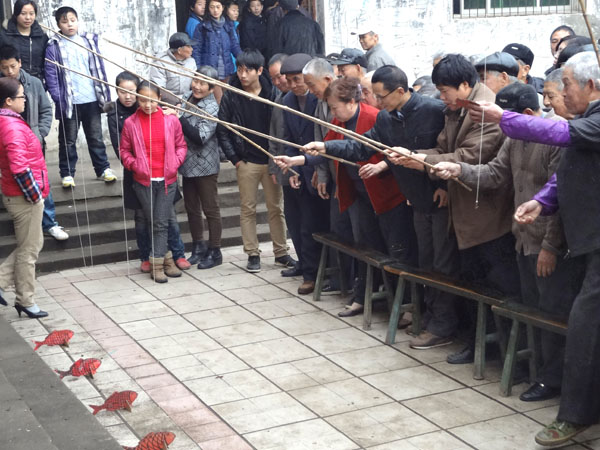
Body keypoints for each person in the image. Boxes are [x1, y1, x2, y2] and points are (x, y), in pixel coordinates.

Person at [469, 51, 600, 447]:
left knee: (585, 326)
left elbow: (559, 134)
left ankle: (575, 415)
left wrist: (502, 118)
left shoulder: (591, 122)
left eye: (567, 86)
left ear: (591, 86)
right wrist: (542, 201)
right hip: (587, 242)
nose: (561, 93)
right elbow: (567, 173)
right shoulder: (587, 121)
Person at [434, 83, 579, 402]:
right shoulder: (515, 138)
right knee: (531, 310)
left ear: (525, 114)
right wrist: (458, 169)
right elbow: (495, 173)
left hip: (547, 244)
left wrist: (550, 247)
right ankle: (534, 370)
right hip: (522, 238)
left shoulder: (558, 137)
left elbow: (561, 199)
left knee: (552, 313)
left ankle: (552, 379)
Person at [305, 65, 458, 345]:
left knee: (443, 264)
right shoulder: (387, 119)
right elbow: (362, 146)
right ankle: (429, 316)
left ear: (400, 91)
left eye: (381, 96)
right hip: (417, 201)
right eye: (372, 95)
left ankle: (444, 326)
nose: (376, 101)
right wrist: (326, 147)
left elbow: (450, 150)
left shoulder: (433, 111)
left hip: (441, 198)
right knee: (426, 263)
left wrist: (443, 186)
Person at [389, 54, 519, 364]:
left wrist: (422, 161)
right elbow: (444, 147)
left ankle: (498, 351)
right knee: (471, 283)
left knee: (494, 285)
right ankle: (476, 344)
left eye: (445, 90)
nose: (442, 97)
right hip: (463, 213)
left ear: (464, 85)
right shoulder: (456, 109)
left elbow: (468, 156)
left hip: (488, 216)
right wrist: (414, 155)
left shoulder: (485, 111)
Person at [217, 49, 296, 273]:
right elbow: (223, 127)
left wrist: (278, 157)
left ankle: (281, 252)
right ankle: (252, 253)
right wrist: (235, 158)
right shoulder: (232, 94)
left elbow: (281, 128)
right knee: (248, 209)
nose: (242, 75)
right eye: (239, 70)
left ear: (259, 71)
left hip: (272, 160)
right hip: (246, 161)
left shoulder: (273, 93)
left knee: (276, 208)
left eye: (248, 70)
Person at [119, 82, 187, 283]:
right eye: (142, 100)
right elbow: (124, 151)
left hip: (167, 180)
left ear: (159, 98)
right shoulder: (131, 123)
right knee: (154, 222)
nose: (147, 105)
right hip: (143, 181)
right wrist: (135, 165)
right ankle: (165, 261)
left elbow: (181, 146)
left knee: (160, 222)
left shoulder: (170, 120)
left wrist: (175, 163)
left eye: (151, 100)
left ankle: (158, 264)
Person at [0, 45, 67, 243]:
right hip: (9, 142)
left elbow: (46, 110)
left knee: (41, 180)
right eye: (4, 67)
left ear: (20, 63)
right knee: (14, 179)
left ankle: (50, 222)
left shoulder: (34, 83)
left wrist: (40, 133)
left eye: (13, 66)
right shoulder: (2, 87)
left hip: (33, 142)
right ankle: (25, 224)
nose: (9, 71)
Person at [44, 6, 117, 188]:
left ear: (77, 21)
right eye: (64, 21)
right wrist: (58, 97)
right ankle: (67, 173)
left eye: (72, 20)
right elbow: (51, 75)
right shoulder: (54, 46)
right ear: (58, 24)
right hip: (69, 102)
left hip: (91, 99)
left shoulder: (88, 41)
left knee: (95, 137)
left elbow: (98, 68)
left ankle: (103, 169)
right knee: (68, 140)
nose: (69, 24)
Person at [279, 53, 329, 294]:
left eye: (297, 79)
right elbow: (289, 138)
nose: (293, 85)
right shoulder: (287, 100)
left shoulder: (320, 98)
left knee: (315, 224)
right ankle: (307, 270)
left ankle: (320, 273)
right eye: (288, 80)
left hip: (320, 170)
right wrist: (293, 170)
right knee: (299, 224)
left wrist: (318, 169)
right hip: (299, 168)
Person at [0, 77, 49, 318]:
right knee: (29, 250)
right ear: (9, 101)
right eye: (21, 96)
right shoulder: (11, 126)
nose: (25, 99)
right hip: (24, 197)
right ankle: (25, 300)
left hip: (19, 195)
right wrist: (35, 196)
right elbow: (19, 167)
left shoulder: (10, 122)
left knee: (31, 245)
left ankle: (24, 299)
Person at [179, 66, 223, 269]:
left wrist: (179, 118)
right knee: (191, 208)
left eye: (202, 83)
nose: (197, 86)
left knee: (210, 208)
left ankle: (215, 250)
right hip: (186, 162)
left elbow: (200, 136)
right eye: (195, 81)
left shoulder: (212, 107)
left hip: (205, 165)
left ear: (212, 88)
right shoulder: (185, 97)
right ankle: (198, 246)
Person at [192, 0, 241, 84]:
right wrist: (198, 70)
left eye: (218, 7)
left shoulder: (228, 25)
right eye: (212, 7)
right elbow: (196, 50)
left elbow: (234, 46)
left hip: (226, 71)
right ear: (208, 8)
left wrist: (243, 60)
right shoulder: (202, 27)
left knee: (226, 92)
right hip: (209, 72)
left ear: (223, 8)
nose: (215, 10)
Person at [0, 0, 48, 83]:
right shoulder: (4, 36)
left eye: (31, 14)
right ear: (16, 14)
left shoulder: (42, 36)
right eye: (23, 13)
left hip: (36, 82)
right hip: (10, 82)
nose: (28, 17)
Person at [149, 32, 197, 105]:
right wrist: (179, 102)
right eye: (189, 46)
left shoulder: (191, 61)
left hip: (188, 102)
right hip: (167, 104)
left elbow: (195, 85)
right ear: (179, 50)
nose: (192, 49)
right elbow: (159, 90)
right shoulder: (160, 63)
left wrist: (185, 102)